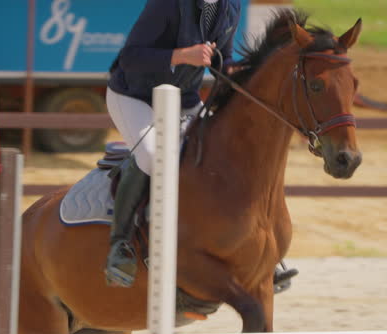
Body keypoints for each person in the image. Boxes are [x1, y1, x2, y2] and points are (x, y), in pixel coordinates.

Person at [104, 0, 298, 292]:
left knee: (221, 154)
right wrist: (182, 55)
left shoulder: (230, 6)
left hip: (183, 100)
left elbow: (223, 59)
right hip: (135, 96)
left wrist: (239, 70)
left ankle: (257, 254)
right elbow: (130, 57)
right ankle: (120, 245)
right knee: (152, 156)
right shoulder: (167, 5)